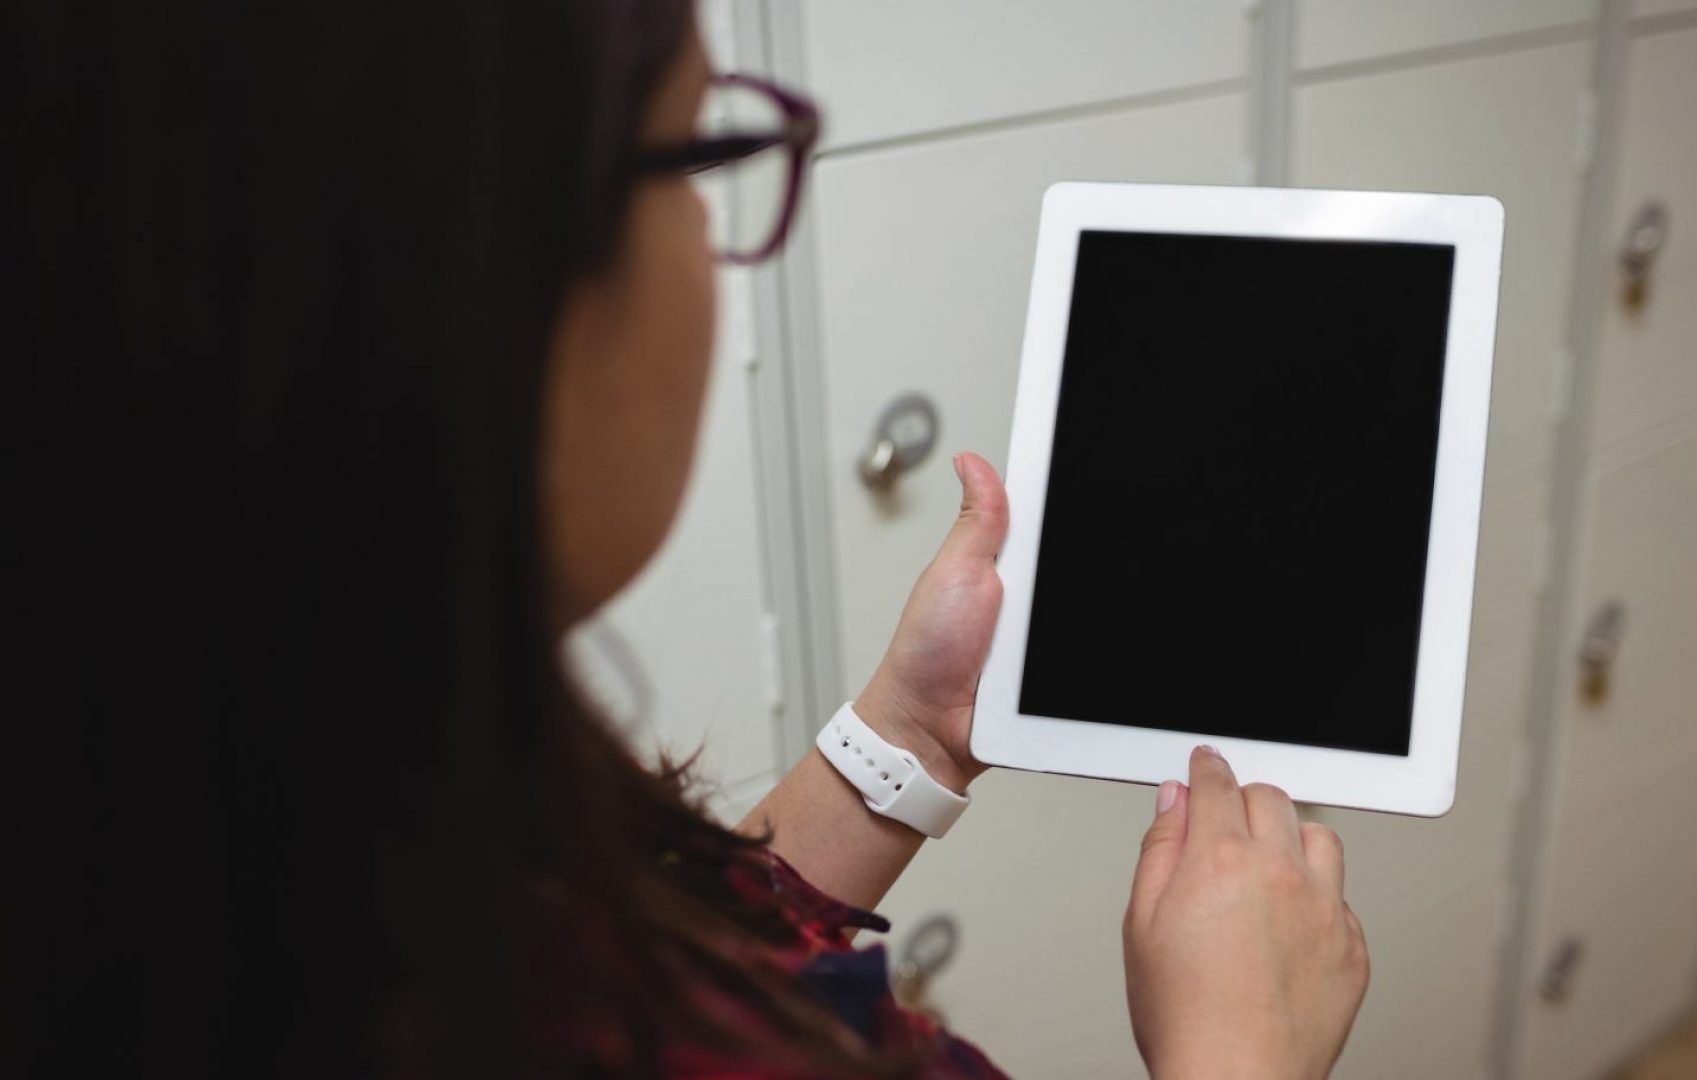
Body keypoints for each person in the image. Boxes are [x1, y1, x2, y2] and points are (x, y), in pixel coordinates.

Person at [9, 0, 1369, 1076]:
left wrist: (911, 729)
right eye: (698, 159)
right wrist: (1236, 1055)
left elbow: (666, 946)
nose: (716, 242)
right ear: (484, 285)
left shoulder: (246, 803)